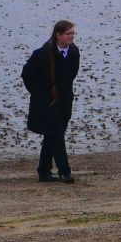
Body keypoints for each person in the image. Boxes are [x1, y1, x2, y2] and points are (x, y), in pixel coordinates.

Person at [21, 20, 79, 184]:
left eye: (73, 33)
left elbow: (70, 77)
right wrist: (40, 93)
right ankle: (64, 171)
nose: (71, 37)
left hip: (65, 101)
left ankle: (44, 171)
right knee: (56, 134)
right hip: (46, 103)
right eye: (68, 34)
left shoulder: (74, 53)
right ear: (58, 35)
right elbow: (27, 75)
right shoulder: (41, 54)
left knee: (52, 135)